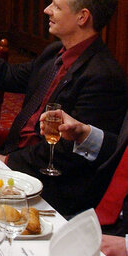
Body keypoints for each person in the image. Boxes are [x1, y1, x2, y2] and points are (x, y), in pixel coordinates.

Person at [0, 0, 128, 215]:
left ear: (82, 17)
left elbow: (68, 154)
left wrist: (8, 162)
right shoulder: (55, 53)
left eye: (57, 6)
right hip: (17, 157)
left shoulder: (103, 75)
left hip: (51, 186)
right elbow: (6, 76)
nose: (46, 10)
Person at [38, 109, 128, 256]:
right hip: (97, 217)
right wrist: (83, 134)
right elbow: (122, 153)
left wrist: (126, 245)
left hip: (118, 235)